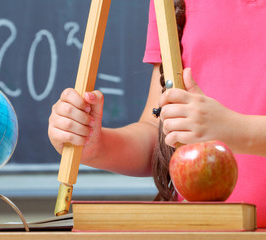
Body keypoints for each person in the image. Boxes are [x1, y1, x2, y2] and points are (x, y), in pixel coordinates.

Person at [48, 0, 266, 227]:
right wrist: (97, 146)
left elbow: (222, 128)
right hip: (206, 231)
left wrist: (236, 130)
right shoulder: (167, 4)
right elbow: (161, 134)